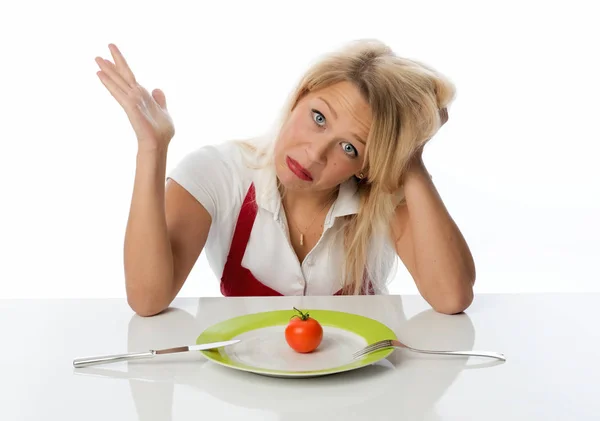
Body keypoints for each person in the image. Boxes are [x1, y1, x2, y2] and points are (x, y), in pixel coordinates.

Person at [94, 39, 476, 317]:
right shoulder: (218, 173)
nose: (314, 154)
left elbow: (451, 298)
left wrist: (407, 156)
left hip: (361, 394)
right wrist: (152, 148)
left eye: (349, 148)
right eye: (318, 117)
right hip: (250, 387)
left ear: (366, 165)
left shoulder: (381, 197)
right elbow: (147, 299)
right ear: (300, 96)